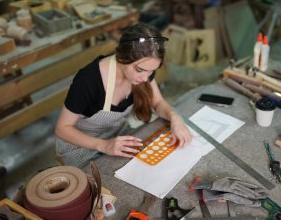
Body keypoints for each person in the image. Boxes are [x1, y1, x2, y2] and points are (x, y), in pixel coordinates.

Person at [55, 23, 193, 167]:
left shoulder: (145, 70)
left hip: (117, 134)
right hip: (80, 145)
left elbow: (157, 102)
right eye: (140, 70)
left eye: (151, 71)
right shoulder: (88, 81)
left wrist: (175, 117)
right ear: (122, 58)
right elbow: (62, 128)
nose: (146, 79)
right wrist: (104, 145)